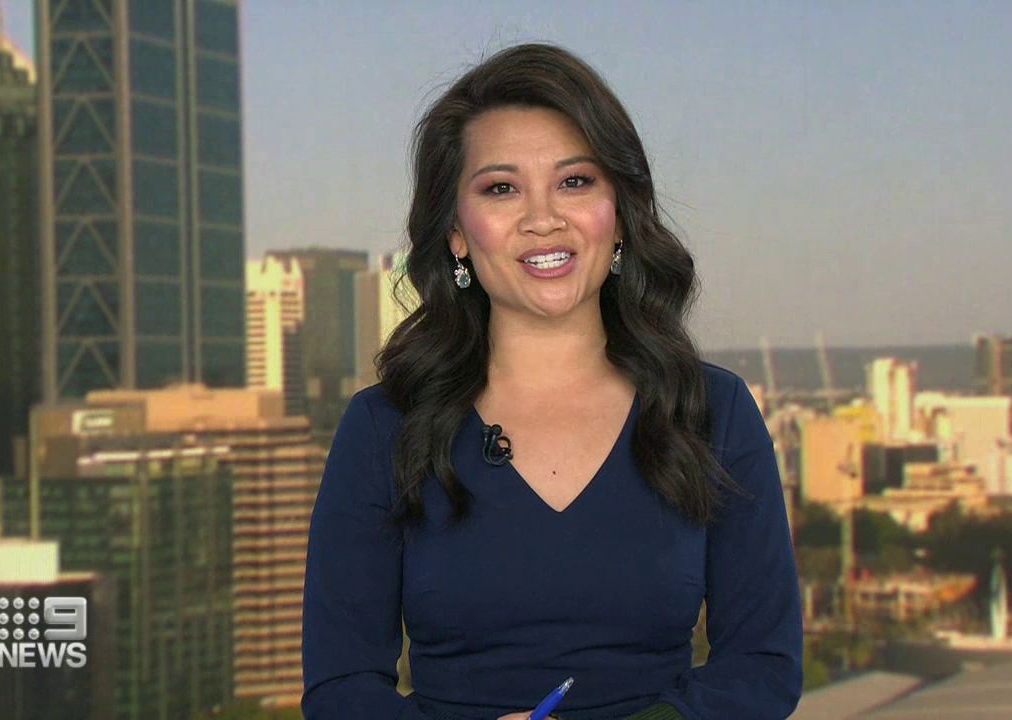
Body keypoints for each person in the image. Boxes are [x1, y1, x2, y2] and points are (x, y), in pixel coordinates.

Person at [301, 43, 802, 720]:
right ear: (456, 233)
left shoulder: (712, 411)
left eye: (575, 181)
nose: (543, 219)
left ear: (618, 213)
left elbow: (763, 666)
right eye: (501, 189)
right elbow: (341, 688)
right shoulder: (382, 428)